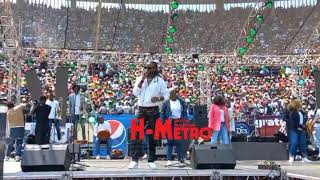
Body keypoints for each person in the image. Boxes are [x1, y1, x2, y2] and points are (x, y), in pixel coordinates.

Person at [129, 60, 169, 169]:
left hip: (153, 109)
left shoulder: (160, 81)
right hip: (141, 109)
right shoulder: (139, 79)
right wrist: (142, 80)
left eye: (150, 68)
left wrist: (158, 98)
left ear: (155, 69)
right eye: (146, 68)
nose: (147, 70)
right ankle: (135, 160)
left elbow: (166, 96)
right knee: (137, 134)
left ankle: (151, 159)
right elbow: (135, 93)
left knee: (152, 136)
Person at [161, 87, 188, 166]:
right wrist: (163, 123)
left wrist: (185, 121)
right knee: (170, 141)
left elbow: (184, 112)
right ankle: (169, 159)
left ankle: (181, 158)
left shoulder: (181, 102)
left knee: (179, 141)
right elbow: (162, 114)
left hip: (179, 122)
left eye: (174, 93)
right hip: (170, 123)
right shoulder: (166, 103)